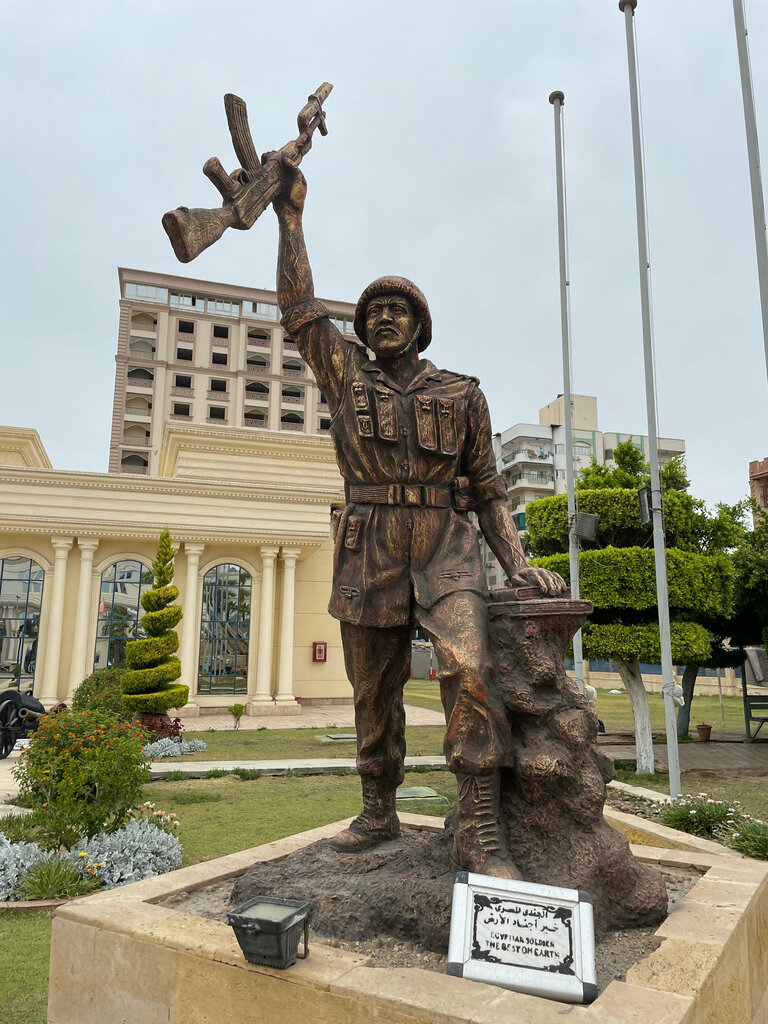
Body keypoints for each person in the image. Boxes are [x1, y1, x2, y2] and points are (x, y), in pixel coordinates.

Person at [273, 157, 565, 877]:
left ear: (421, 325)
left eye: (398, 309)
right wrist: (290, 218)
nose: (383, 316)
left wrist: (518, 564)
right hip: (369, 542)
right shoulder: (344, 374)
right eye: (373, 310)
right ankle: (378, 809)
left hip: (446, 545)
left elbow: (491, 489)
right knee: (372, 687)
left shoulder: (462, 394)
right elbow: (299, 306)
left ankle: (482, 823)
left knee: (468, 667)